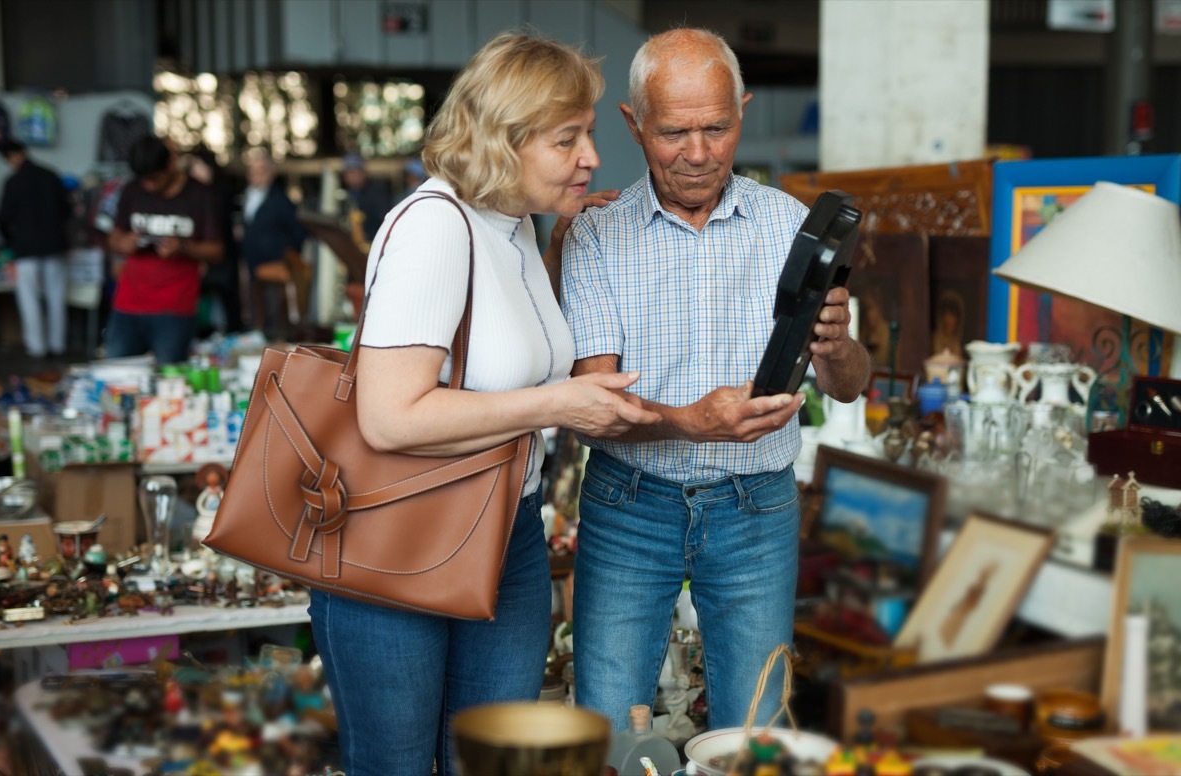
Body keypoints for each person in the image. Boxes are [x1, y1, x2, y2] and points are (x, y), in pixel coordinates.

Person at [305, 32, 659, 776]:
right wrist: (558, 404)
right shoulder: (435, 227)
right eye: (567, 139)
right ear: (504, 138)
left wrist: (559, 252)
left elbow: (500, 350)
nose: (592, 157)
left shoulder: (514, 225)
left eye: (587, 134)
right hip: (401, 537)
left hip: (508, 531)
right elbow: (390, 417)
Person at [560, 28, 872, 733]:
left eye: (717, 128)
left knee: (756, 729)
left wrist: (837, 346)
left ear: (743, 112)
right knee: (608, 726)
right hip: (629, 504)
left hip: (757, 506)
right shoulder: (597, 234)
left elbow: (850, 385)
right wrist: (691, 422)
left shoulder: (791, 226)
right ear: (634, 124)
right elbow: (592, 404)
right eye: (674, 132)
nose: (698, 154)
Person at [104, 135, 223, 364]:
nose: (148, 186)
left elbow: (217, 251)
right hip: (128, 303)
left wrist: (184, 247)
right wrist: (123, 244)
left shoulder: (200, 194)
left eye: (154, 179)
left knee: (170, 378)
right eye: (143, 180)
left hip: (174, 308)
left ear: (170, 163)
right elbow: (113, 238)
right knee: (116, 372)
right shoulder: (132, 189)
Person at [0, 139, 71, 360]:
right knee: (56, 297)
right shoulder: (51, 175)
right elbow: (66, 210)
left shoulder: (13, 181)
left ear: (13, 156)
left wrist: (10, 242)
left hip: (25, 246)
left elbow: (3, 218)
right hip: (54, 244)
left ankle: (36, 347)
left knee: (28, 298)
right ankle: (57, 344)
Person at [238, 151, 307, 337]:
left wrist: (286, 256)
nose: (255, 176)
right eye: (252, 171)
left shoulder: (281, 201)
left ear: (270, 173)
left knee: (274, 313)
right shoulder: (248, 197)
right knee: (255, 310)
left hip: (275, 265)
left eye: (260, 171)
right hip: (252, 264)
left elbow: (298, 232)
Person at [186, 145, 244, 334]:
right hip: (210, 254)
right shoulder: (199, 193)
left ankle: (231, 333)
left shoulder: (218, 192)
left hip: (220, 254)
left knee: (227, 297)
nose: (193, 171)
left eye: (197, 166)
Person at [341, 150, 393, 251]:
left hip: (377, 247)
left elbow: (385, 221)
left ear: (364, 173)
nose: (351, 176)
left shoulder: (377, 192)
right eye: (348, 173)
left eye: (354, 172)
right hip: (355, 249)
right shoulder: (349, 195)